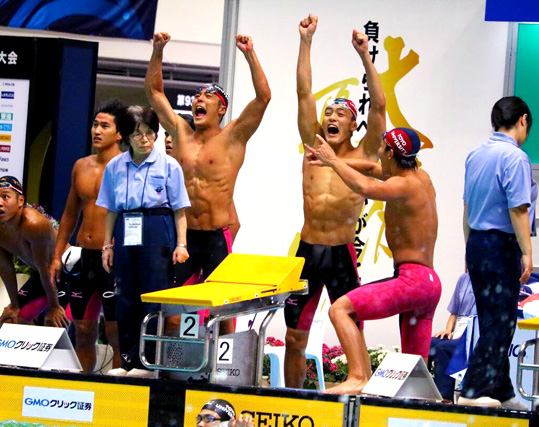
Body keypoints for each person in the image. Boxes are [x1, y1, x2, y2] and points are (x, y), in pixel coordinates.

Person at [284, 14, 386, 389]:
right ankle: (293, 396)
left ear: (352, 124)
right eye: (328, 112)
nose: (330, 116)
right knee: (294, 335)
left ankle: (359, 396)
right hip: (307, 250)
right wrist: (306, 42)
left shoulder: (364, 153)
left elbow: (379, 107)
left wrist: (365, 57)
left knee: (351, 331)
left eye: (340, 113)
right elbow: (303, 92)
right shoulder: (313, 147)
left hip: (341, 252)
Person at [146, 32, 270, 335]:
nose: (199, 99)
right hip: (185, 238)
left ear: (221, 109)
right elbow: (154, 93)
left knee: (223, 309)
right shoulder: (181, 132)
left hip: (217, 236)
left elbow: (263, 97)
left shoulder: (234, 136)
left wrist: (250, 53)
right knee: (171, 309)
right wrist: (157, 50)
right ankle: (173, 369)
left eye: (208, 97)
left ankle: (224, 371)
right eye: (197, 96)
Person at [305, 127, 441, 394]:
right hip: (429, 285)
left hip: (411, 282)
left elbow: (365, 186)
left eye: (382, 150)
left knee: (340, 310)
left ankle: (358, 377)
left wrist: (333, 161)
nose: (378, 155)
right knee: (414, 381)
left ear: (390, 153)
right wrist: (331, 160)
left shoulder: (402, 185)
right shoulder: (420, 177)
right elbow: (369, 167)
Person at [96, 106, 190, 378]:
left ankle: (149, 363)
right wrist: (107, 245)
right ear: (125, 136)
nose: (145, 139)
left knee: (152, 297)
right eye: (138, 134)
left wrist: (181, 244)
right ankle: (128, 362)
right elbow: (111, 209)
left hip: (157, 227)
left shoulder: (169, 166)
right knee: (126, 296)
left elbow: (179, 210)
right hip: (127, 227)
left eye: (150, 133)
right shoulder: (115, 166)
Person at [459, 96, 536, 409]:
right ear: (523, 121)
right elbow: (518, 209)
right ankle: (473, 389)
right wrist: (527, 252)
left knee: (493, 318)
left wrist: (468, 248)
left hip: (477, 242)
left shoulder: (476, 155)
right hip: (501, 244)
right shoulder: (514, 158)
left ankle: (502, 389)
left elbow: (466, 207)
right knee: (501, 321)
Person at [48, 99, 125, 373]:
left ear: (119, 133)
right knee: (82, 328)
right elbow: (69, 214)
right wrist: (57, 256)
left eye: (105, 125)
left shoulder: (128, 168)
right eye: (95, 124)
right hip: (83, 256)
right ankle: (83, 389)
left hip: (113, 260)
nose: (97, 130)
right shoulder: (81, 166)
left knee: (116, 334)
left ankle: (117, 393)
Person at [0, 176, 69, 329]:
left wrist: (54, 306)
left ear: (20, 201)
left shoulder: (34, 224)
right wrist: (14, 305)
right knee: (8, 324)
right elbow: (5, 266)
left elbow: (45, 267)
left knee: (53, 324)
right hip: (44, 275)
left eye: (5, 197)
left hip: (68, 272)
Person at [429, 272, 477, 403]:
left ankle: (445, 398)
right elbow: (454, 313)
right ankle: (424, 392)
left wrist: (468, 333)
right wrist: (448, 331)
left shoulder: (489, 280)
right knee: (428, 344)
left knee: (443, 348)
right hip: (457, 333)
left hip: (473, 335)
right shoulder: (463, 278)